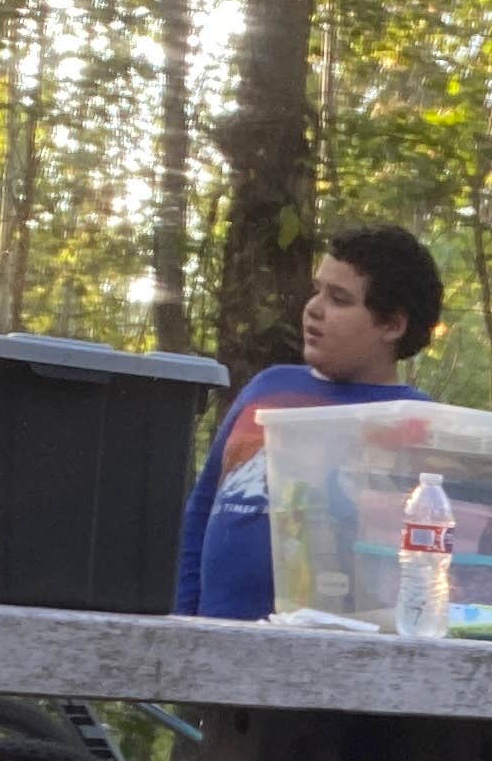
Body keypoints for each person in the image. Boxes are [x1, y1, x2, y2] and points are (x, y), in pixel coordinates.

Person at [175, 226, 443, 620]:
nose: (314, 308)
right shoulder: (267, 389)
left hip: (330, 655)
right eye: (317, 290)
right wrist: (182, 620)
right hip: (212, 639)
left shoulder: (415, 422)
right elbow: (201, 512)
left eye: (339, 299)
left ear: (392, 325)